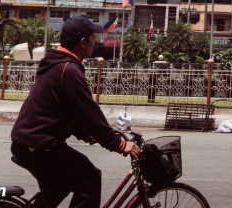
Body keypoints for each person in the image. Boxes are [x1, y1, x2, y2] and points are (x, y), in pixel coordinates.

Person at [11, 18, 138, 208]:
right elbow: (89, 112)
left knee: (58, 187)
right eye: (93, 39)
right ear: (83, 42)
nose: (96, 43)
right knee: (90, 178)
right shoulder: (68, 69)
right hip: (39, 144)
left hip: (29, 141)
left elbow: (67, 109)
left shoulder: (57, 64)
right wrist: (119, 144)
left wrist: (84, 133)